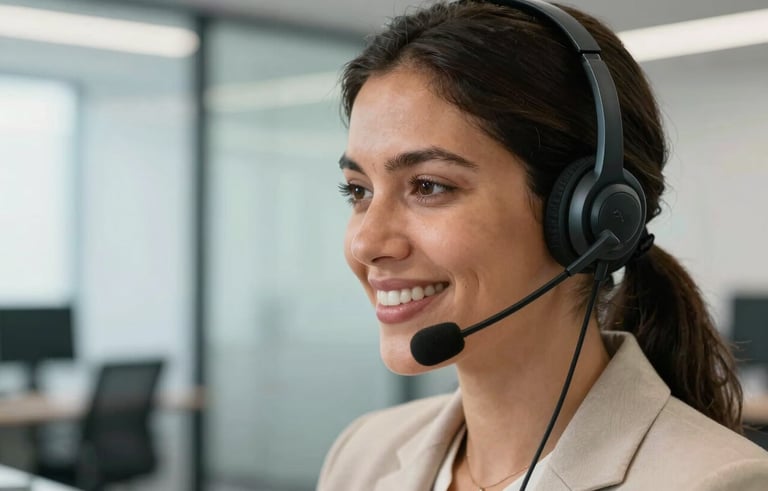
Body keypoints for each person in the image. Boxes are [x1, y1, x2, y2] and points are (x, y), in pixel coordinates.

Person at [318, 1, 768, 490]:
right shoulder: (363, 456)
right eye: (358, 191)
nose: (366, 242)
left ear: (588, 215)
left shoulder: (714, 482)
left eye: (428, 186)